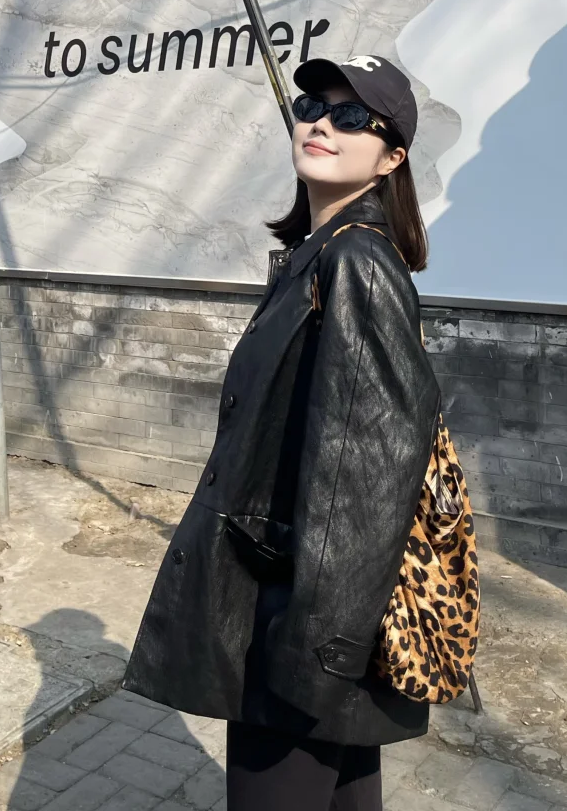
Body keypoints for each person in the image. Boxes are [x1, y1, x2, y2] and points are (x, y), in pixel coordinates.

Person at [123, 54, 442, 810]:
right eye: (311, 108)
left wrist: (317, 654)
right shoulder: (319, 255)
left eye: (353, 116)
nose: (323, 123)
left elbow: (371, 479)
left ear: (392, 157)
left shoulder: (357, 264)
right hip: (309, 606)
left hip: (303, 623)